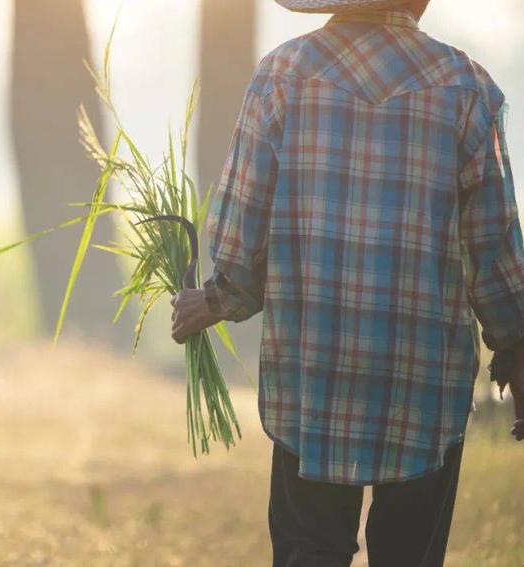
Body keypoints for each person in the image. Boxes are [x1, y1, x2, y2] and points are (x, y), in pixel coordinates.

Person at [171, 0, 524, 565]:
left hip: (310, 378)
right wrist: (514, 347)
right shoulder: (468, 88)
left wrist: (212, 299)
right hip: (423, 384)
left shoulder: (282, 76)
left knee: (309, 548)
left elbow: (242, 236)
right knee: (410, 553)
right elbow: (495, 249)